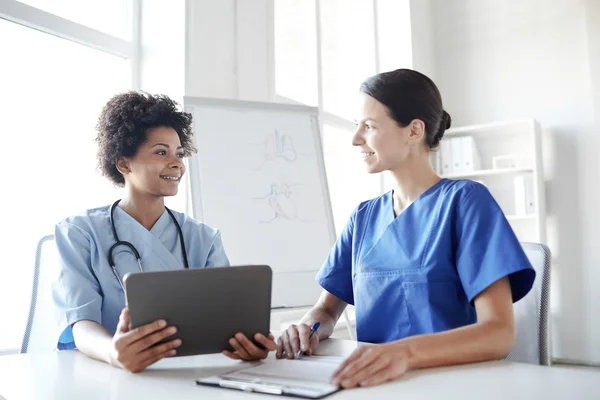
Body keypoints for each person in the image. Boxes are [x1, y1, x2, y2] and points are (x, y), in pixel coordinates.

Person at [275, 69, 536, 388]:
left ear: (413, 131)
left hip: (457, 386)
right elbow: (326, 310)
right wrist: (304, 327)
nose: (356, 139)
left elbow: (498, 333)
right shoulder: (363, 217)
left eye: (368, 126)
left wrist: (405, 353)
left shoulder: (465, 202)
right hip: (374, 387)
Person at [52, 92, 277, 372]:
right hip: (104, 375)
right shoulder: (80, 232)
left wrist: (244, 345)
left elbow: (225, 321)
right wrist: (113, 353)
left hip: (186, 374)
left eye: (179, 154)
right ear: (123, 164)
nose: (177, 163)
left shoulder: (203, 238)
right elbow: (80, 323)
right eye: (161, 152)